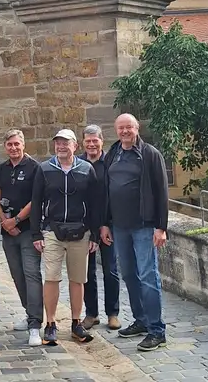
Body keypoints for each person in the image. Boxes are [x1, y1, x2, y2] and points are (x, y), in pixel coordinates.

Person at [100, 114, 172, 350]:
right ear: (116, 130)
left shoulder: (150, 154)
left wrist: (161, 227)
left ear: (137, 128)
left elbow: (162, 192)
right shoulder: (113, 153)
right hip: (119, 226)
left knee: (148, 277)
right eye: (120, 128)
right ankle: (141, 321)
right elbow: (107, 190)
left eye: (128, 127)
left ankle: (156, 330)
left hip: (144, 225)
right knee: (129, 275)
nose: (124, 131)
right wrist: (104, 223)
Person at [30, 128, 99, 347]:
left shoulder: (86, 169)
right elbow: (36, 201)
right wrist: (35, 232)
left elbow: (95, 205)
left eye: (65, 143)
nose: (61, 146)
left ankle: (76, 322)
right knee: (51, 277)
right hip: (52, 230)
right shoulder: (44, 169)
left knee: (78, 279)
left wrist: (94, 233)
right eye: (58, 142)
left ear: (74, 146)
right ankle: (50, 323)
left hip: (80, 231)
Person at [0, 129, 45, 345]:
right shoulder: (1, 169)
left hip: (28, 231)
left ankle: (35, 324)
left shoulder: (35, 168)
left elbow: (36, 199)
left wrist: (15, 221)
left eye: (17, 144)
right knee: (17, 275)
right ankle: (28, 312)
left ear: (23, 145)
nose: (13, 148)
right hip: (8, 233)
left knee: (32, 274)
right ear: (5, 147)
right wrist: (4, 221)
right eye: (9, 145)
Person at [81, 124, 121, 331]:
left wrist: (107, 223)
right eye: (88, 141)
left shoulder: (111, 163)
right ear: (83, 143)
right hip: (85, 227)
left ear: (101, 141)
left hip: (108, 225)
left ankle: (113, 313)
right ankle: (91, 313)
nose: (91, 144)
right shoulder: (78, 164)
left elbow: (113, 196)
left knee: (110, 270)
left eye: (95, 140)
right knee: (87, 273)